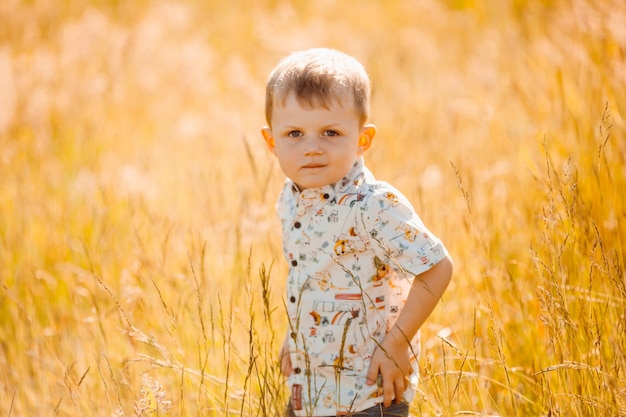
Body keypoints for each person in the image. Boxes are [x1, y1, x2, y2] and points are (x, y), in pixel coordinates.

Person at [261, 48, 453, 417]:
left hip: (369, 391)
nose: (312, 147)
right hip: (308, 389)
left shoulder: (373, 204)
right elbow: (309, 274)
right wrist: (294, 336)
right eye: (294, 133)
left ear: (363, 140)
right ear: (272, 142)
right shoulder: (291, 198)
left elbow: (438, 267)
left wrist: (396, 344)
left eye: (330, 132)